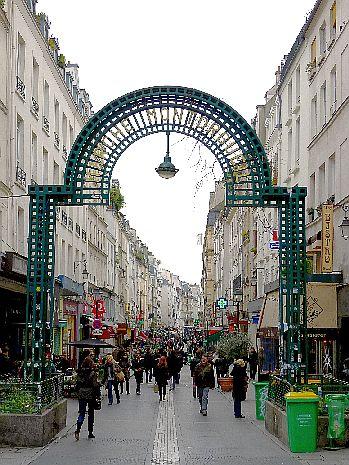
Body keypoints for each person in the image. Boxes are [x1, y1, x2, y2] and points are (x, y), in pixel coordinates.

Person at [74, 357, 101, 440]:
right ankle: (90, 432)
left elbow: (77, 384)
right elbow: (95, 385)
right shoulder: (93, 373)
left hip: (82, 394)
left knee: (81, 413)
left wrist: (78, 392)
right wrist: (98, 395)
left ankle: (78, 429)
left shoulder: (80, 372)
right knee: (91, 414)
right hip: (90, 394)